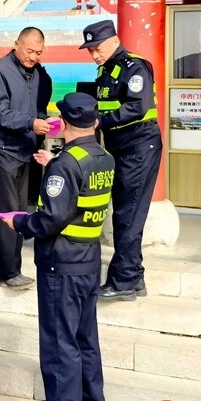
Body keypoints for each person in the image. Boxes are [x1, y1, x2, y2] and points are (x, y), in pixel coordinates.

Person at [3, 92, 114, 401]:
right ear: (95, 122)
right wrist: (54, 165)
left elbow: (50, 218)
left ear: (63, 123)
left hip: (61, 265)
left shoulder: (65, 164)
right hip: (88, 260)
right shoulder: (103, 157)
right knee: (85, 338)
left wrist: (19, 222)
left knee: (58, 343)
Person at [79, 19, 162, 302]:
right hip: (122, 147)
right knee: (126, 212)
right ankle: (134, 276)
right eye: (90, 50)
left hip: (139, 147)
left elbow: (137, 106)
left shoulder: (134, 67)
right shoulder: (106, 69)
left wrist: (99, 122)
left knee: (128, 214)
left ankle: (122, 281)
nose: (94, 54)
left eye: (97, 48)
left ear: (114, 41)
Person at [0, 27, 52, 289]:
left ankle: (13, 268)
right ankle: (7, 272)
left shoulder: (40, 74)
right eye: (30, 51)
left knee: (21, 209)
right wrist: (31, 123)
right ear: (17, 44)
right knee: (7, 209)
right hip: (1, 149)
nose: (34, 57)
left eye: (39, 53)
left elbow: (38, 108)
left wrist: (44, 122)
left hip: (24, 148)